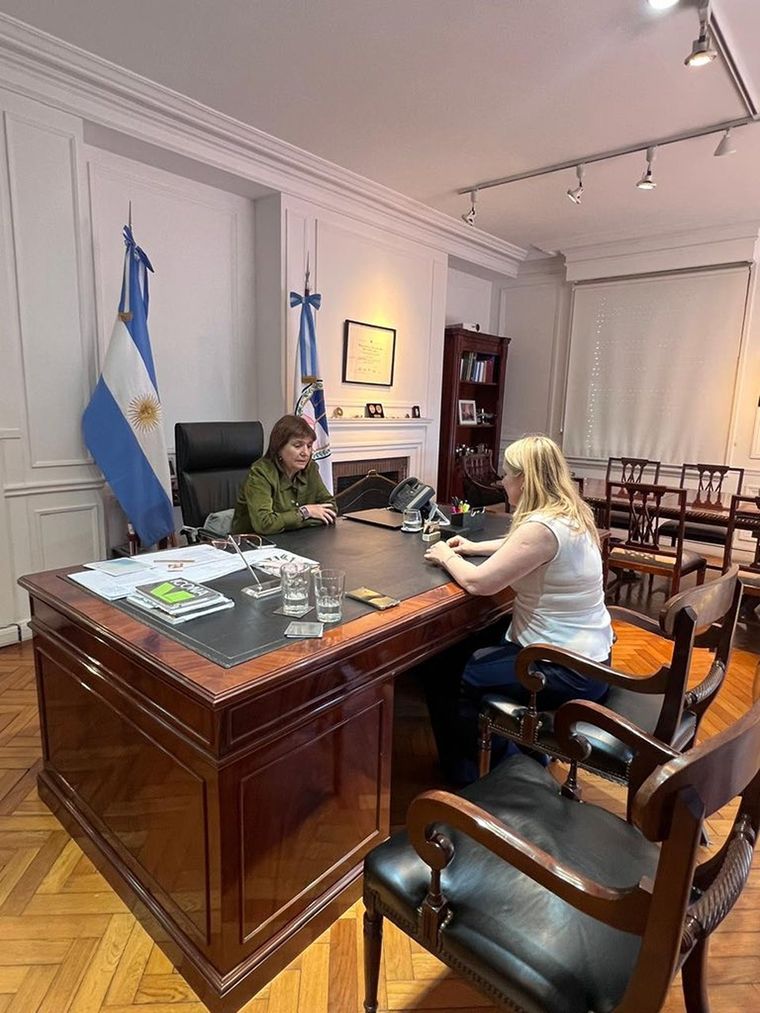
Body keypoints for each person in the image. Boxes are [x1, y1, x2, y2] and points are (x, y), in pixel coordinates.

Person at [423, 434, 612, 784]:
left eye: (507, 475)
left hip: (564, 668)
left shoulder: (541, 528)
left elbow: (481, 584)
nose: (502, 481)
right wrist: (476, 546)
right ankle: (527, 748)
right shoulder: (570, 514)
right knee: (463, 649)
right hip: (590, 658)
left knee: (447, 677)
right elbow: (527, 546)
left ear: (525, 478)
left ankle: (500, 774)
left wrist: (445, 554)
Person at [231, 414, 337, 536]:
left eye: (309, 446)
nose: (306, 453)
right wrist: (305, 512)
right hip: (252, 545)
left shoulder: (310, 469)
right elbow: (265, 525)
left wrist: (288, 522)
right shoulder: (261, 472)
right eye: (298, 446)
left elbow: (331, 509)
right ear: (279, 447)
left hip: (296, 540)